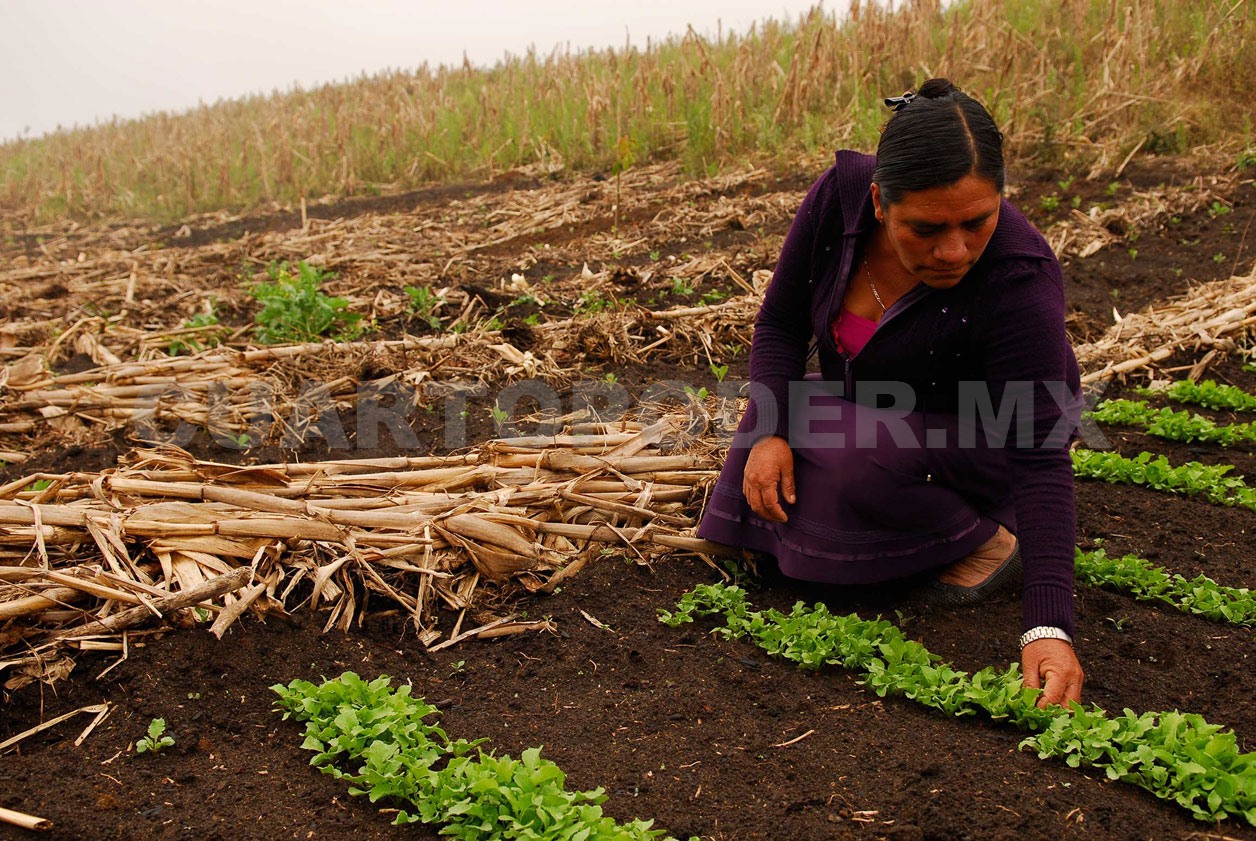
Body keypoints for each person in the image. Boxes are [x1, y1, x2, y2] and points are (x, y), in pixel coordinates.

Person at [696, 79, 1085, 708]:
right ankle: (868, 522)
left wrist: (1049, 626)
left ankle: (988, 540)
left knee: (854, 460)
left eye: (977, 222)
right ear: (879, 202)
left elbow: (1040, 452)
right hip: (877, 400)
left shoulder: (1018, 275)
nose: (954, 249)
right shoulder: (838, 199)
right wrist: (769, 433)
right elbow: (780, 325)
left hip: (982, 430)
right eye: (926, 228)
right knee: (767, 418)